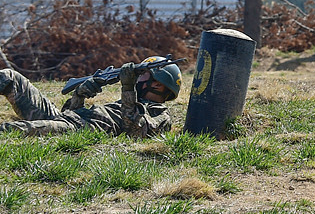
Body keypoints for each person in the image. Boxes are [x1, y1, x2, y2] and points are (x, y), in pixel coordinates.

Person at [0, 56, 182, 137]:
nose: (135, 77)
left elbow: (135, 131)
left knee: (11, 130)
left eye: (142, 74)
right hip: (64, 118)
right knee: (9, 77)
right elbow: (72, 113)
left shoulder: (160, 115)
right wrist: (79, 95)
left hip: (73, 128)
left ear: (157, 84)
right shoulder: (132, 100)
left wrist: (128, 88)